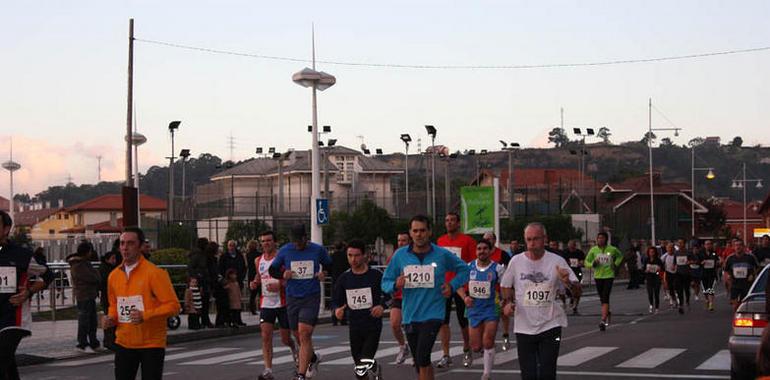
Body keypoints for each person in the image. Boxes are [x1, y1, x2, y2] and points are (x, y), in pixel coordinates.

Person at [381, 215, 470, 380]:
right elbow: (385, 281)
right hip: (410, 315)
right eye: (415, 231)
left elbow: (465, 270)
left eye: (422, 230)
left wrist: (452, 285)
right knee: (420, 361)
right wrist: (395, 284)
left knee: (422, 356)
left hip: (434, 313)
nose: (419, 234)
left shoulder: (442, 254)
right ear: (410, 233)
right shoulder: (400, 255)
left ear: (429, 232)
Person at [500, 222, 581, 380]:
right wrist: (508, 302)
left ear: (545, 239)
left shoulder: (557, 261)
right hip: (524, 327)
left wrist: (569, 282)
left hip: (550, 325)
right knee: (528, 374)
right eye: (528, 239)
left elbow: (577, 291)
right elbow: (505, 285)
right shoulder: (516, 261)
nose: (531, 244)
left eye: (535, 239)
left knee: (547, 372)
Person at [103, 227, 180, 380]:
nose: (125, 247)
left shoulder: (155, 274)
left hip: (151, 343)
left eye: (130, 243)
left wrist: (145, 315)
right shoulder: (113, 276)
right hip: (124, 341)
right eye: (122, 243)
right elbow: (113, 304)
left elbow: (173, 306)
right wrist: (111, 318)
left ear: (140, 246)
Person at [269, 224, 332, 380]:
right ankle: (313, 358)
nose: (296, 244)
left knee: (304, 332)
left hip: (311, 296)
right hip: (293, 297)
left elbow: (330, 265)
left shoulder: (317, 250)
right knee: (298, 335)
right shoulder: (285, 250)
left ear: (305, 237)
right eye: (294, 241)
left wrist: (323, 273)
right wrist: (284, 274)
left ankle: (301, 375)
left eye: (299, 241)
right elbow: (273, 270)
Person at [0, 210, 53, 379]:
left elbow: (48, 275)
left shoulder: (21, 255)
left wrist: (28, 292)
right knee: (7, 365)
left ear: (6, 229)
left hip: (13, 318)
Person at [333, 239, 385, 379]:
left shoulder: (376, 275)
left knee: (363, 361)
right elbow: (336, 301)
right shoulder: (344, 278)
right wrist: (338, 310)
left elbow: (389, 295)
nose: (353, 259)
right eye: (350, 255)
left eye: (356, 255)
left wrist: (382, 306)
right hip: (354, 325)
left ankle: (373, 367)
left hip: (372, 325)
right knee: (359, 368)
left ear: (364, 256)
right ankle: (373, 368)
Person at [250, 230, 298, 380]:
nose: (266, 243)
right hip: (266, 303)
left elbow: (292, 277)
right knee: (265, 336)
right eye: (263, 241)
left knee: (285, 339)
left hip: (283, 302)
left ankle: (294, 348)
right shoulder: (258, 260)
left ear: (274, 242)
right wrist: (254, 283)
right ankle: (268, 369)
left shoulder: (282, 258)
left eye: (269, 240)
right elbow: (259, 276)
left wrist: (280, 285)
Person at [435, 212, 476, 368]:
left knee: (463, 321)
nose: (449, 223)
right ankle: (446, 354)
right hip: (444, 285)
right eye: (447, 220)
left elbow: (472, 263)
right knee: (443, 321)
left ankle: (467, 347)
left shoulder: (467, 241)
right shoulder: (440, 241)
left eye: (452, 220)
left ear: (458, 223)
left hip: (461, 285)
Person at [461, 239, 504, 380]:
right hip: (474, 310)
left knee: (487, 341)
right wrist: (465, 298)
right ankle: (487, 350)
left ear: (491, 250)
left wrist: (505, 300)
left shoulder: (498, 268)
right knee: (475, 346)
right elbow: (458, 284)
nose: (482, 251)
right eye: (479, 248)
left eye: (485, 248)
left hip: (491, 308)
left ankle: (486, 374)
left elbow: (506, 285)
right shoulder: (469, 267)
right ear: (476, 251)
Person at [67, 241, 102, 352]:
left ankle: (93, 342)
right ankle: (82, 343)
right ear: (86, 252)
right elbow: (93, 277)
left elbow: (95, 276)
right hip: (84, 295)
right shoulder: (78, 265)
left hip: (89, 295)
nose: (92, 253)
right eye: (90, 251)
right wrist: (96, 276)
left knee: (92, 321)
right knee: (85, 321)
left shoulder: (84, 263)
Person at [584, 232, 623, 331]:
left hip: (609, 275)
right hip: (598, 276)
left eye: (602, 238)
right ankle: (607, 312)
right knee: (602, 297)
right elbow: (586, 261)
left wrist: (615, 264)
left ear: (606, 239)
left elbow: (620, 256)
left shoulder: (612, 249)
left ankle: (603, 320)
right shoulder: (593, 250)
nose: (600, 239)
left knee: (605, 296)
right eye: (599, 238)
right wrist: (593, 264)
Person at [483, 231, 512, 351]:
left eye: (489, 239)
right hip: (484, 291)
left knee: (502, 314)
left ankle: (505, 335)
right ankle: (489, 340)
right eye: (485, 239)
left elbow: (509, 272)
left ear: (494, 241)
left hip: (499, 290)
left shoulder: (503, 254)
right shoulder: (481, 254)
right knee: (487, 317)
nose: (487, 241)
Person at [388, 231, 411, 364]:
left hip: (413, 295)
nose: (401, 243)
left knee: (411, 326)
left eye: (404, 240)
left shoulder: (415, 255)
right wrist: (393, 284)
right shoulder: (394, 257)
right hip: (398, 295)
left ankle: (416, 351)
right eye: (399, 240)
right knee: (395, 323)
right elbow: (388, 277)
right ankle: (403, 346)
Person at [724, 238, 759, 313]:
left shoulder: (750, 257)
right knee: (735, 303)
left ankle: (743, 314)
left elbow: (757, 267)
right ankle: (737, 315)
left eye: (740, 245)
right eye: (736, 245)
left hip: (747, 283)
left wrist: (752, 275)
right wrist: (728, 278)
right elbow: (726, 270)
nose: (738, 247)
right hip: (735, 283)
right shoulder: (730, 258)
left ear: (743, 247)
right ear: (733, 247)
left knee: (744, 303)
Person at [218, 240, 247, 326]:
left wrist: (240, 277)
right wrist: (225, 278)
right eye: (230, 245)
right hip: (228, 281)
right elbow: (220, 268)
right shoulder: (224, 256)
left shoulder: (239, 256)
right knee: (230, 302)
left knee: (238, 301)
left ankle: (238, 319)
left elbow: (243, 267)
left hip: (238, 281)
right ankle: (230, 319)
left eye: (233, 245)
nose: (231, 247)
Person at [187, 238, 214, 328]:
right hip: (200, 281)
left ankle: (203, 320)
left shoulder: (201, 254)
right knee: (200, 303)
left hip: (202, 280)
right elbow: (192, 268)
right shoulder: (198, 255)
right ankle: (200, 321)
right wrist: (198, 277)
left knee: (203, 302)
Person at [100, 247, 121, 350]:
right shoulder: (105, 270)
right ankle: (109, 341)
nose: (114, 261)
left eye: (115, 259)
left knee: (113, 320)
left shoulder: (113, 269)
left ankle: (112, 341)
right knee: (110, 319)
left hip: (112, 298)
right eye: (112, 258)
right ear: (107, 259)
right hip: (107, 298)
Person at [562, 239, 585, 315]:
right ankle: (571, 297)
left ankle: (575, 307)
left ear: (575, 246)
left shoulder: (579, 253)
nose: (571, 248)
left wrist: (580, 263)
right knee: (567, 289)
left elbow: (583, 262)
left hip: (577, 272)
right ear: (568, 246)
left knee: (577, 291)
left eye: (573, 247)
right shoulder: (564, 252)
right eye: (570, 247)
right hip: (567, 273)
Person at [330, 241, 351, 326]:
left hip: (334, 279)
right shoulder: (345, 256)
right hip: (344, 279)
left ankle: (334, 318)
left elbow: (328, 267)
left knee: (335, 298)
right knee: (344, 299)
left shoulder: (332, 256)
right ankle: (343, 318)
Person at [642, 246, 663, 314]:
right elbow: (643, 269)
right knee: (650, 293)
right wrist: (645, 271)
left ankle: (657, 307)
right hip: (649, 278)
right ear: (648, 253)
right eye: (650, 252)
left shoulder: (658, 260)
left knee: (656, 293)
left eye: (653, 252)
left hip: (656, 278)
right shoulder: (646, 260)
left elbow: (662, 269)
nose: (652, 253)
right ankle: (651, 305)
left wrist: (659, 270)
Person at [701, 240, 719, 311]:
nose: (708, 245)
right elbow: (697, 261)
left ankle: (711, 303)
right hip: (703, 274)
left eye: (709, 244)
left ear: (711, 245)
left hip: (712, 274)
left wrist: (718, 262)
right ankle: (707, 300)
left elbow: (717, 261)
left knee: (710, 288)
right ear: (704, 245)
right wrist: (701, 262)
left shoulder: (714, 253)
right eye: (707, 244)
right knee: (705, 290)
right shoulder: (701, 253)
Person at [245, 240, 261, 315]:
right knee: (261, 293)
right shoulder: (259, 255)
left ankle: (252, 309)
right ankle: (262, 308)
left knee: (252, 294)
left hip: (251, 275)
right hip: (259, 274)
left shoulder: (247, 255)